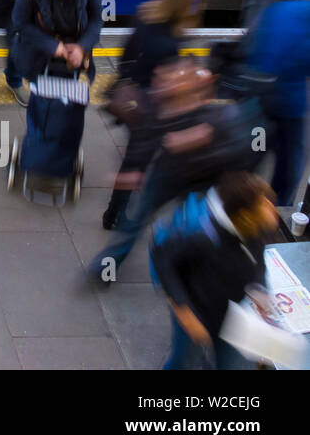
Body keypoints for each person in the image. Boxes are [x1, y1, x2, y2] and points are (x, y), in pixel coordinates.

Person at [89, 60, 256, 279]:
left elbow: (238, 153)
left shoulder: (222, 116)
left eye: (182, 84)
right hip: (166, 175)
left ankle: (184, 267)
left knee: (195, 226)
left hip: (200, 182)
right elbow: (145, 139)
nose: (169, 88)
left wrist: (203, 140)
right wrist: (134, 170)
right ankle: (104, 268)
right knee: (136, 220)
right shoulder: (161, 106)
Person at [102, 0, 205, 230]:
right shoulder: (172, 41)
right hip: (153, 105)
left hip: (132, 96)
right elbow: (171, 81)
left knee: (134, 154)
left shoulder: (144, 16)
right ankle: (115, 213)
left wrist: (129, 77)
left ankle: (116, 209)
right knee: (137, 160)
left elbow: (126, 55)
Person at [149, 172, 278, 370]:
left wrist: (259, 285)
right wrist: (184, 311)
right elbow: (163, 259)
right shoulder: (202, 236)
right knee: (184, 362)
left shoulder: (256, 227)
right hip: (196, 313)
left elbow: (258, 255)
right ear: (245, 217)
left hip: (230, 313)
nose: (271, 208)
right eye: (263, 204)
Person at [10, 0, 103, 102]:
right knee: (41, 101)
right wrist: (52, 45)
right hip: (40, 53)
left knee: (65, 103)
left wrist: (82, 47)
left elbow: (96, 20)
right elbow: (20, 23)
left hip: (72, 56)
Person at [246, 0, 310, 206]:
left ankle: (237, 203)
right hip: (287, 110)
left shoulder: (280, 8)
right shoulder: (299, 16)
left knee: (255, 153)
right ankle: (276, 212)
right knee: (289, 167)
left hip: (260, 103)